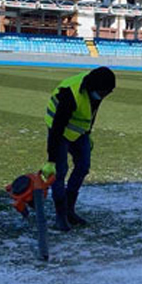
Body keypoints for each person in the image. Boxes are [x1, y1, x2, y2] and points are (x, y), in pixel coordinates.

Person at [41, 67, 116, 231]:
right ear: (93, 88)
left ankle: (69, 210)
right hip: (59, 129)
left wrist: (88, 133)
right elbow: (57, 129)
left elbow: (92, 113)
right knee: (60, 171)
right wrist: (51, 160)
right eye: (103, 93)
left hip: (79, 132)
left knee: (83, 166)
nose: (104, 96)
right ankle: (60, 216)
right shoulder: (69, 94)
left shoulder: (97, 89)